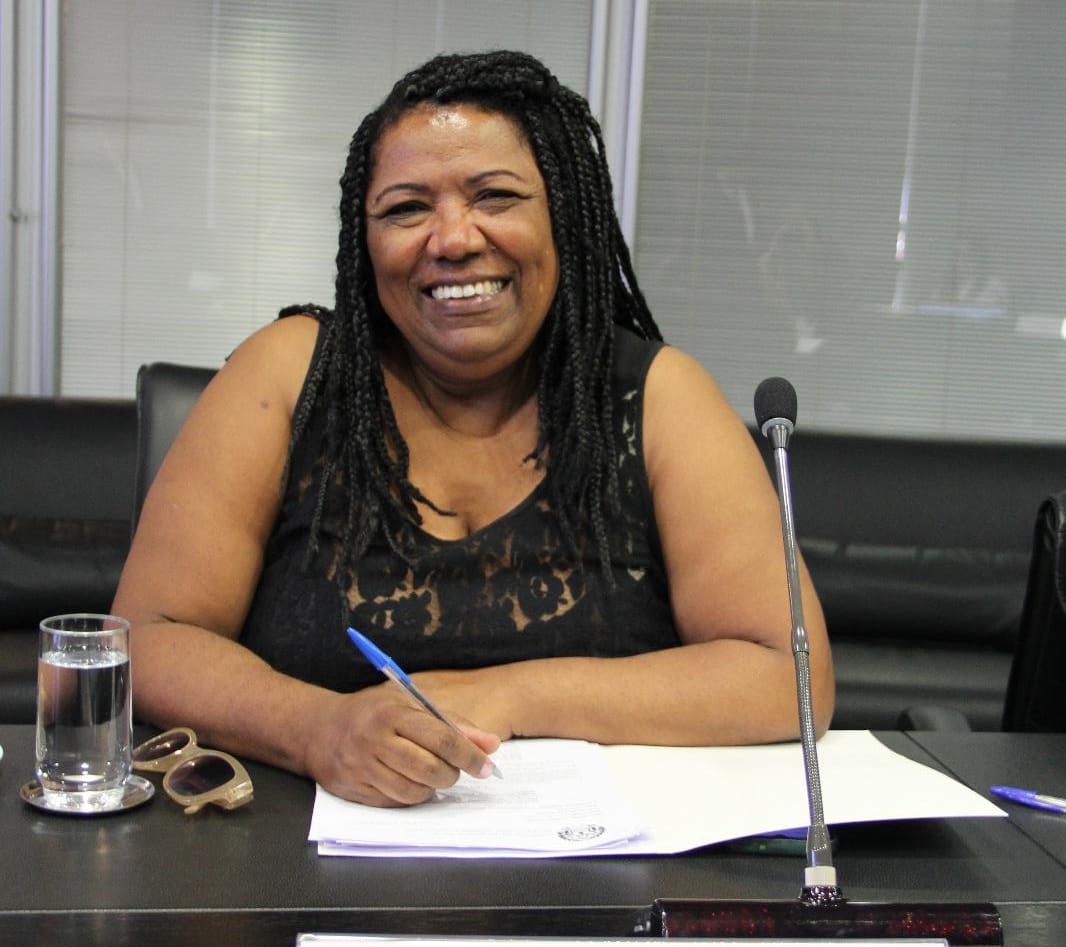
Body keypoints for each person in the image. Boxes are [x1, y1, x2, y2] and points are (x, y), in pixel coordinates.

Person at [113, 50, 834, 808]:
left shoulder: (660, 397)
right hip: (304, 852)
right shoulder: (289, 374)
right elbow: (149, 637)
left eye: (495, 196)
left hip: (598, 858)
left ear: (563, 217)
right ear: (364, 239)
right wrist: (315, 728)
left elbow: (788, 673)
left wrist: (507, 695)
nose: (453, 239)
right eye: (406, 209)